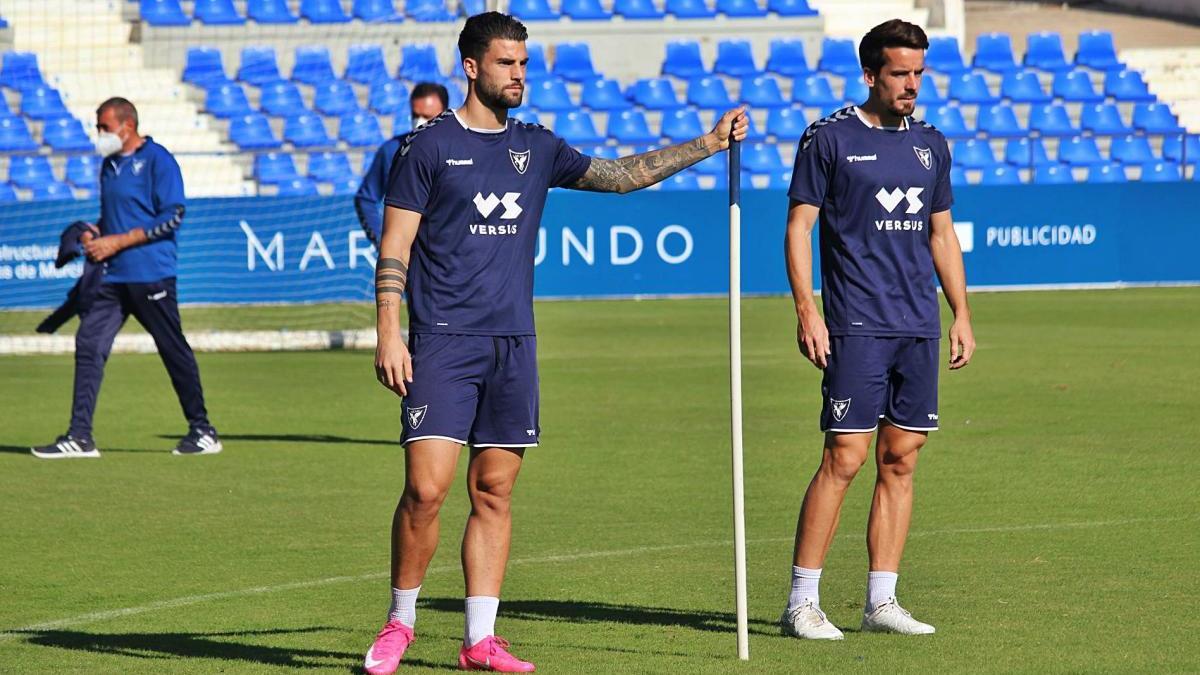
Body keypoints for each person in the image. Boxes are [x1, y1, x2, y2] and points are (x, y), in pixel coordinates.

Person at [362, 12, 747, 674]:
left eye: (524, 63)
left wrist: (707, 144)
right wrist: (389, 331)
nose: (520, 74)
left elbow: (620, 176)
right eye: (508, 63)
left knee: (494, 490)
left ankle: (480, 638)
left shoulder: (537, 146)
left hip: (513, 345)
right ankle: (400, 621)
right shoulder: (425, 148)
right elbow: (394, 244)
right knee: (426, 489)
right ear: (472, 68)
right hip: (442, 343)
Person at [779, 19, 975, 640]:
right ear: (870, 74)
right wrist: (807, 308)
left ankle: (881, 600)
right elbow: (800, 227)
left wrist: (961, 313)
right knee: (846, 455)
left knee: (902, 458)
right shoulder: (828, 138)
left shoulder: (931, 143)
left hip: (916, 322)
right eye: (899, 73)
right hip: (856, 322)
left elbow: (941, 233)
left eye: (919, 72)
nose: (912, 84)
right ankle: (802, 602)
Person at [31, 97, 220, 459]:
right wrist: (93, 233)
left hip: (152, 274)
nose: (99, 134)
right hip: (112, 276)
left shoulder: (158, 160)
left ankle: (203, 430)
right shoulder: (109, 165)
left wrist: (118, 241)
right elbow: (112, 218)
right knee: (89, 346)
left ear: (126, 126)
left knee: (172, 349)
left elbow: (173, 215)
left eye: (103, 127)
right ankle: (79, 436)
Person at [355, 82, 450, 247]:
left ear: (444, 114)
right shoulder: (391, 150)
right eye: (415, 115)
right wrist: (383, 241)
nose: (419, 122)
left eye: (427, 117)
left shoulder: (461, 148)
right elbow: (366, 199)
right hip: (408, 258)